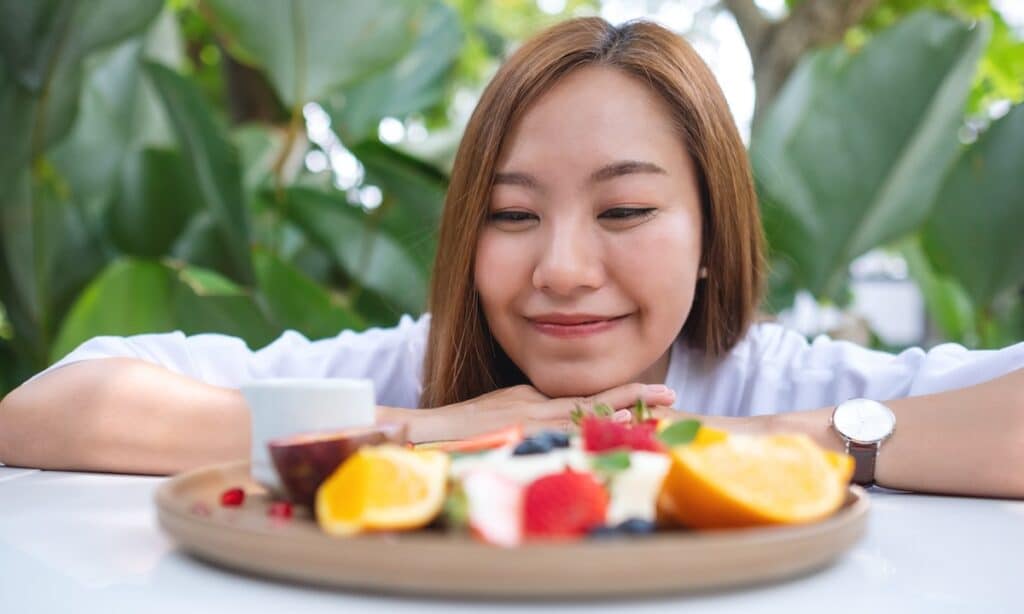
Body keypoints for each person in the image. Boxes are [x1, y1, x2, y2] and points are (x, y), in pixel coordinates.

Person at [0, 18, 1021, 498]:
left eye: (623, 208)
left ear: (712, 237)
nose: (563, 269)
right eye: (510, 213)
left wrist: (750, 436)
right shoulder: (412, 367)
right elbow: (47, 410)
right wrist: (431, 428)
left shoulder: (780, 378)